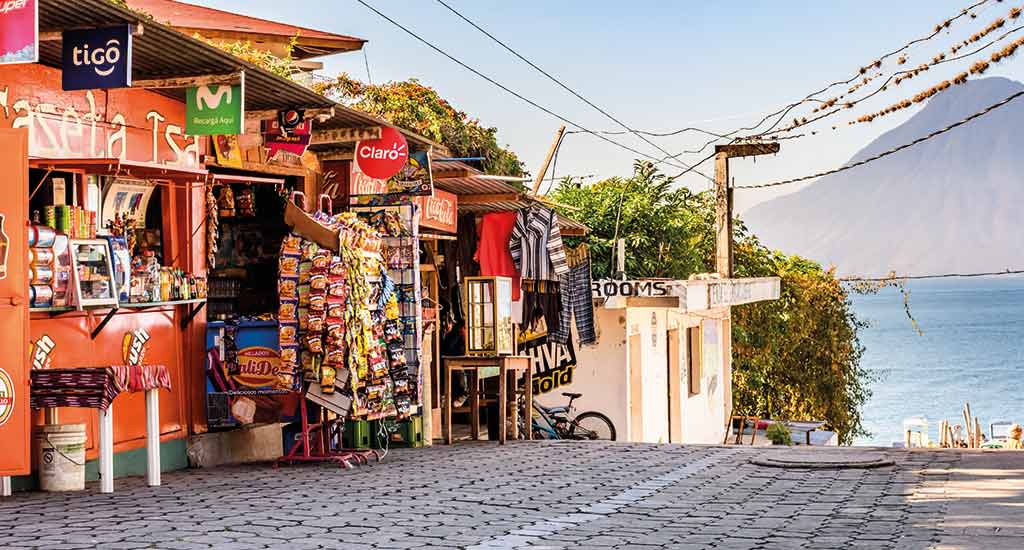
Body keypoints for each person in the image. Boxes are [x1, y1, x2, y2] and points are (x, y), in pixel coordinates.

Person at [441, 318, 469, 407]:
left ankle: (462, 394)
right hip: (452, 361)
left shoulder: (458, 335)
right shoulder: (456, 335)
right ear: (462, 328)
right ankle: (463, 394)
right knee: (459, 372)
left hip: (455, 361)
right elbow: (450, 350)